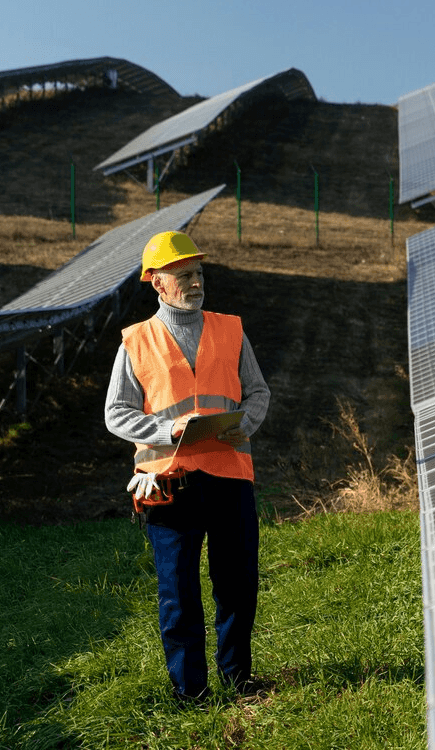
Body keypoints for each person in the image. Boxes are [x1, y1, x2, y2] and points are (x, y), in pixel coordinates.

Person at [104, 230, 271, 702]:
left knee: (237, 584)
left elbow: (258, 392)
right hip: (168, 483)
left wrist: (245, 423)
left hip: (229, 476)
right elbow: (116, 413)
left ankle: (238, 680)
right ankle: (190, 692)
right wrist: (168, 430)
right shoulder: (136, 341)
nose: (196, 283)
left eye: (198, 273)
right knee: (178, 593)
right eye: (184, 276)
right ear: (157, 282)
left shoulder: (230, 330)